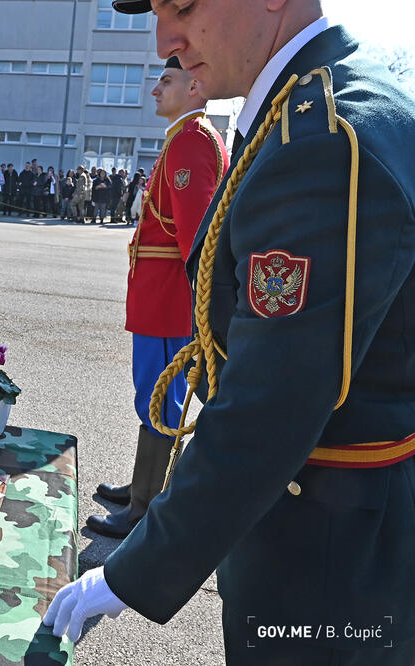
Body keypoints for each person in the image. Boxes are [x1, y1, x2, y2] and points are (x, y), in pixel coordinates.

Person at [45, 1, 415, 663]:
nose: (165, 37)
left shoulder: (324, 136)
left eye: (182, 5)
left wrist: (138, 568)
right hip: (325, 523)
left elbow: (270, 404)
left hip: (324, 557)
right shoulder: (306, 106)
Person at [86, 55, 228, 540]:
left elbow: (196, 239)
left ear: (195, 86)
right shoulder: (185, 139)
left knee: (160, 403)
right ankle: (143, 487)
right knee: (152, 398)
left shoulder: (191, 142)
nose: (154, 89)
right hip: (159, 299)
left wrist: (199, 309)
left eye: (167, 80)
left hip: (169, 302)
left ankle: (146, 507)